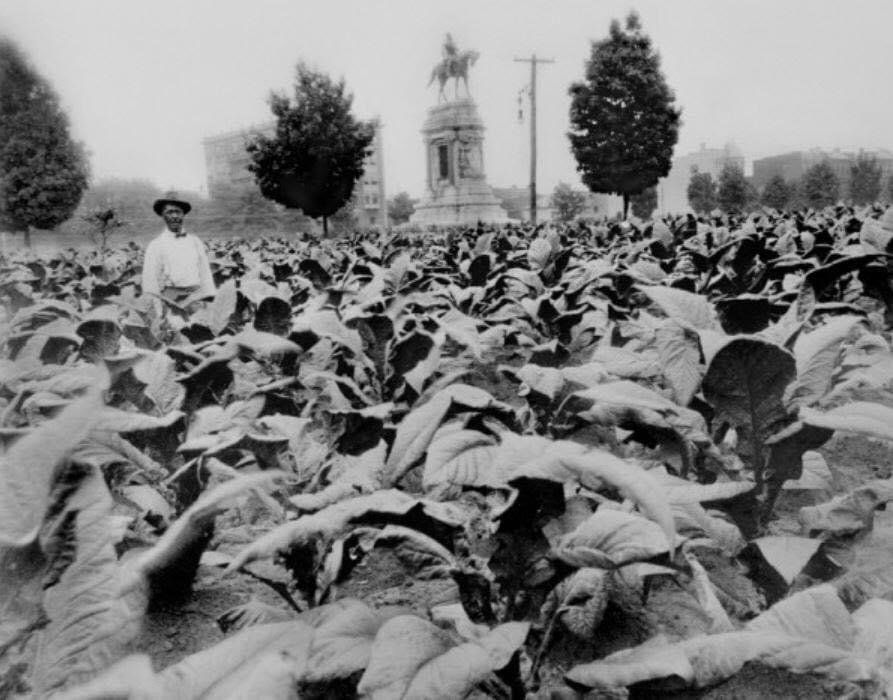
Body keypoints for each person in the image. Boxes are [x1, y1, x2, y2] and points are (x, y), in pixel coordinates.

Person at [141, 192, 216, 306]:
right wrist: (155, 306)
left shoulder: (195, 242)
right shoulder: (155, 245)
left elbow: (205, 273)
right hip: (171, 300)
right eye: (170, 212)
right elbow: (150, 280)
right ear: (163, 215)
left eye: (178, 212)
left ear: (183, 215)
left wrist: (210, 297)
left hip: (196, 298)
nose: (174, 216)